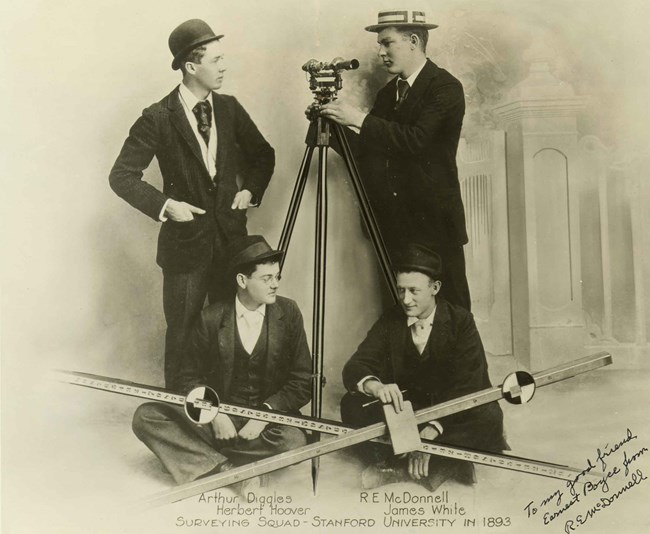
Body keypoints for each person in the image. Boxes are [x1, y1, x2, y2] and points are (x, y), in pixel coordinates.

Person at [109, 19, 275, 387]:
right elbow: (121, 175)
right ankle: (182, 416)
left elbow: (263, 155)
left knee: (228, 327)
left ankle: (225, 411)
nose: (223, 67)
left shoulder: (230, 108)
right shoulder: (157, 117)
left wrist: (249, 190)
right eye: (216, 61)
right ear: (191, 66)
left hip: (232, 244)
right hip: (185, 246)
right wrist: (167, 205)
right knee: (184, 333)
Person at [316, 9, 471, 310]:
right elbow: (368, 151)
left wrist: (357, 117)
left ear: (413, 40)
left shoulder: (445, 88)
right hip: (394, 224)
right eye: (380, 44)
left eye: (387, 43)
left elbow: (416, 141)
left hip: (434, 225)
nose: (380, 52)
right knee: (400, 309)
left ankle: (462, 360)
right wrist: (331, 124)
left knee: (451, 310)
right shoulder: (389, 94)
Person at [132, 235, 311, 488]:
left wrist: (263, 416)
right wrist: (214, 414)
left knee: (294, 441)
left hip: (265, 425)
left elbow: (302, 380)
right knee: (146, 417)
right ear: (242, 280)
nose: (276, 285)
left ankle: (201, 460)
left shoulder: (289, 312)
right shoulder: (211, 318)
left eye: (277, 277)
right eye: (266, 278)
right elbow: (187, 378)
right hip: (219, 420)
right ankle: (231, 472)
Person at [340, 243, 507, 490]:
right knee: (350, 405)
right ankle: (446, 463)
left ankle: (402, 463)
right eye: (401, 290)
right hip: (409, 410)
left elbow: (469, 384)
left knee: (488, 415)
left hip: (450, 410)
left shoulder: (460, 320)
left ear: (434, 288)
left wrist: (433, 431)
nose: (406, 300)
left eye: (414, 291)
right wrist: (375, 386)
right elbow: (356, 365)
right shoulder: (391, 320)